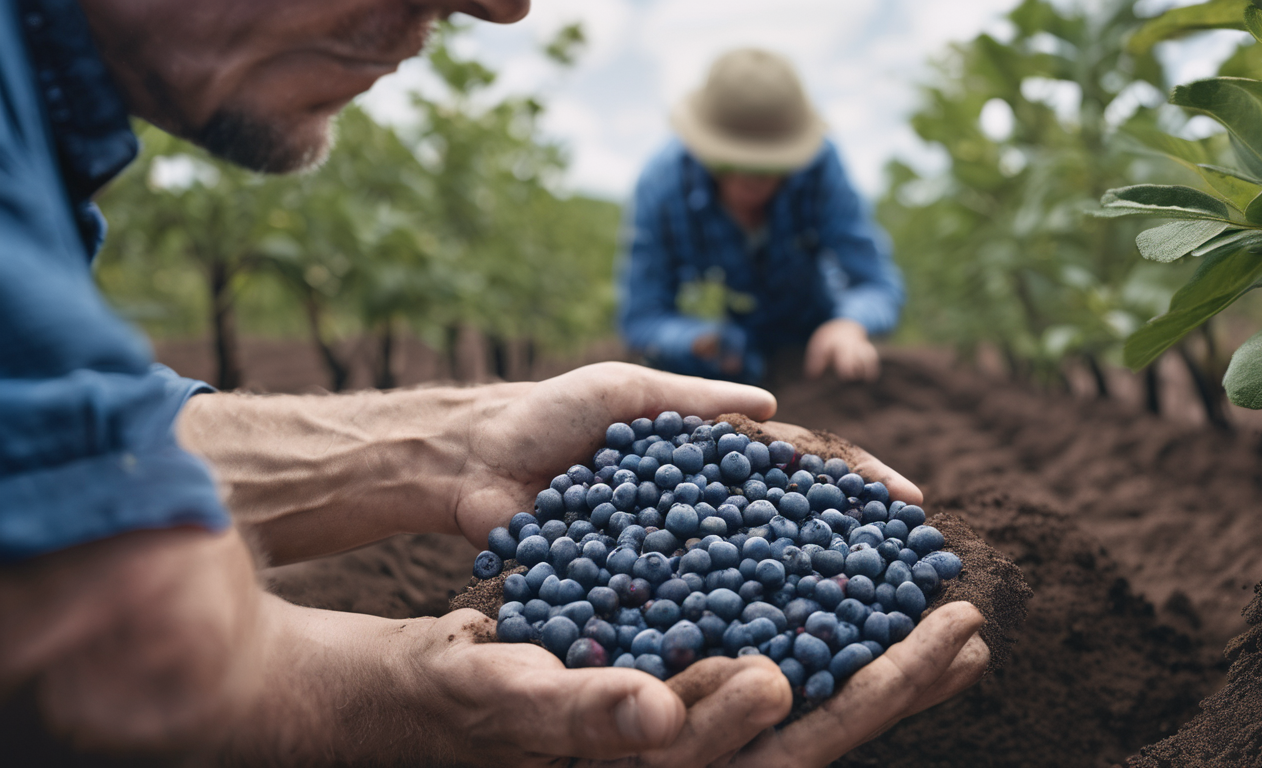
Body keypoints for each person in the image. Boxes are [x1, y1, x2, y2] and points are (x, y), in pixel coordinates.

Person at [0, 1, 987, 765]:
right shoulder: (660, 189)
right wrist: (404, 694)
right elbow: (98, 624)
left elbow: (47, 437)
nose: (504, 7)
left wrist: (451, 440)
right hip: (712, 339)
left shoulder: (40, 120)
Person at [618, 48, 904, 386]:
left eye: (770, 163)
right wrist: (698, 340)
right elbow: (642, 317)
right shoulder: (663, 184)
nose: (750, 178)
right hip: (720, 365)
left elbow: (877, 285)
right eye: (729, 160)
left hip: (810, 353)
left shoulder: (821, 168)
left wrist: (849, 324)